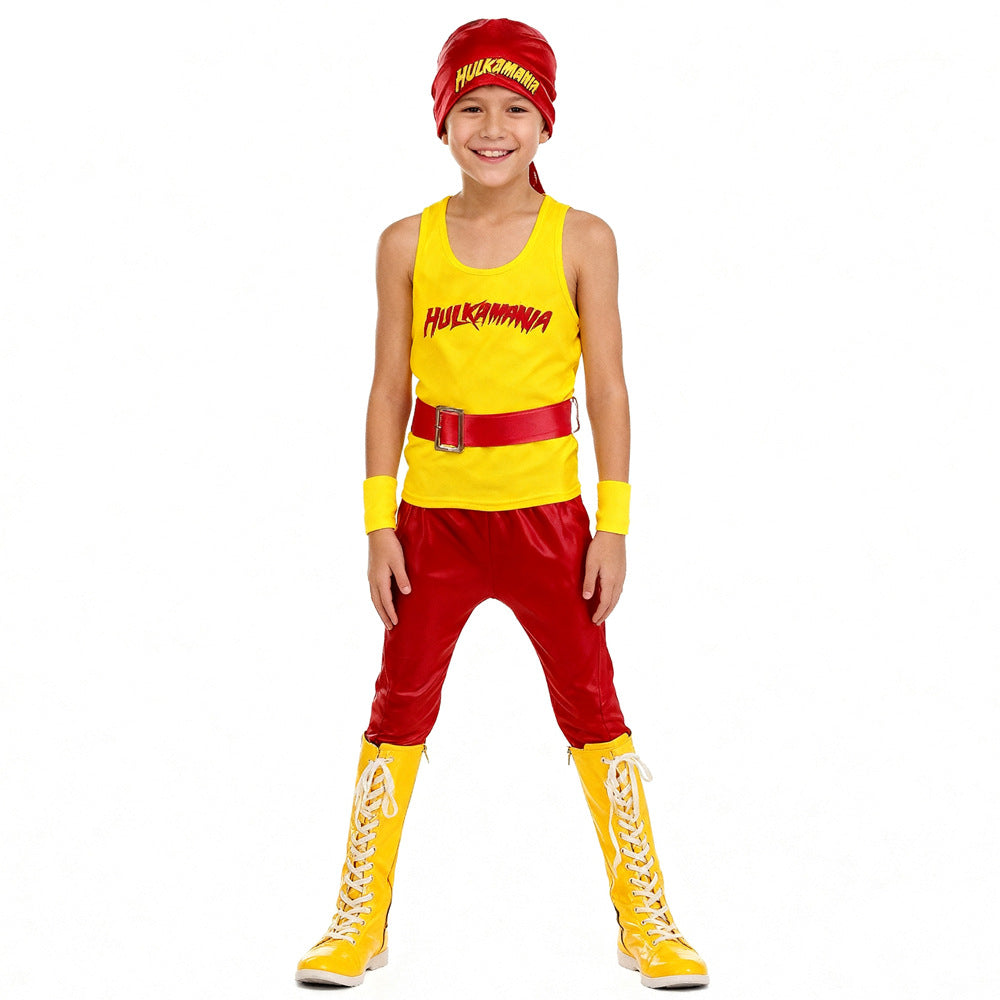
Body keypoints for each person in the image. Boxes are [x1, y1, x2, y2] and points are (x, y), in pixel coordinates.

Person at [295, 17, 709, 990]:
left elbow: (608, 388)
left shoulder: (583, 239)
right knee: (399, 705)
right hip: (433, 520)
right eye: (471, 108)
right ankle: (359, 916)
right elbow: (386, 389)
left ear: (545, 122)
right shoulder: (406, 242)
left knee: (592, 702)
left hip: (547, 519)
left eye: (515, 109)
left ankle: (643, 915)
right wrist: (378, 522)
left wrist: (613, 525)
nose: (492, 128)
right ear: (442, 120)